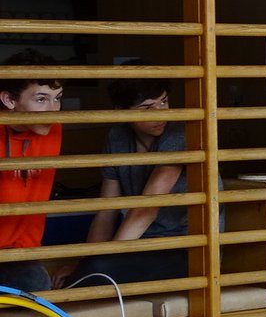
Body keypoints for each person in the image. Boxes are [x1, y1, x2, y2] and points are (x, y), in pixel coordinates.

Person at [56, 74, 189, 287]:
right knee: (89, 271)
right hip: (140, 246)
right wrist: (87, 261)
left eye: (163, 102)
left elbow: (146, 209)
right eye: (146, 108)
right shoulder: (117, 137)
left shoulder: (178, 134)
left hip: (185, 247)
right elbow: (107, 211)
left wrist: (98, 263)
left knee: (97, 271)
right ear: (121, 111)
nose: (160, 113)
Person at [0, 50, 64, 292]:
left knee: (36, 284)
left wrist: (27, 253)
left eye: (58, 98)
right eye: (41, 99)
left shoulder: (52, 128)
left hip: (18, 253)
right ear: (9, 100)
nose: (53, 110)